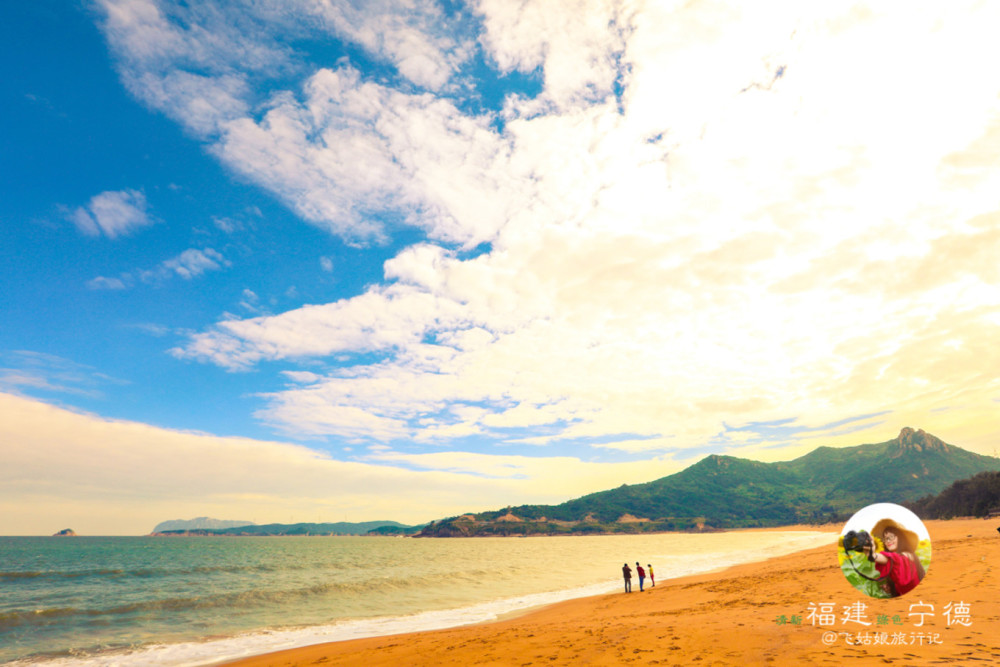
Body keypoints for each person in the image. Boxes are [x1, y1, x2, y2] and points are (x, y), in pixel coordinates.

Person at [862, 517, 926, 597]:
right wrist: (891, 588)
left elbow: (891, 559)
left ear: (900, 537)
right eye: (885, 539)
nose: (888, 541)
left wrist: (873, 555)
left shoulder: (906, 555)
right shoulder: (907, 556)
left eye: (891, 537)